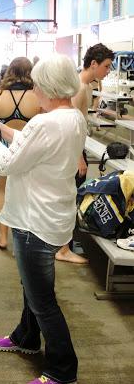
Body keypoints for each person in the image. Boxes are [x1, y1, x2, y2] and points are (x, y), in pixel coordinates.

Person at [0, 53, 87, 384]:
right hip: (53, 216)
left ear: (48, 86)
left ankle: (62, 371)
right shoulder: (72, 118)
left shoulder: (45, 122)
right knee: (31, 285)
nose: (34, 89)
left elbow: (7, 164)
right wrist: (0, 127)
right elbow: (31, 146)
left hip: (34, 221)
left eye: (37, 84)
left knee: (42, 300)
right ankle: (26, 336)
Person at [55, 43, 114, 264]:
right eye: (106, 66)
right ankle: (63, 249)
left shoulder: (87, 87)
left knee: (73, 195)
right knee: (69, 198)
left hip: (77, 149)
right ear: (93, 64)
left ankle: (66, 243)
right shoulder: (79, 88)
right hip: (73, 152)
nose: (108, 71)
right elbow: (72, 127)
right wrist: (79, 156)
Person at [0, 57, 41, 250]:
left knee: (3, 191)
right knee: (30, 192)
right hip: (29, 148)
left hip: (5, 148)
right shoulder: (36, 95)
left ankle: (3, 237)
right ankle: (30, 236)